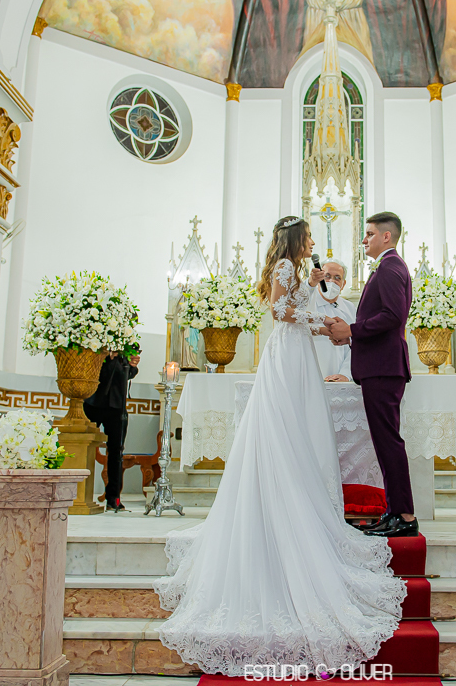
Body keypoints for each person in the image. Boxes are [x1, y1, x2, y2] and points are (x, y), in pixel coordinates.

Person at [154, 215, 405, 676]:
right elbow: (279, 313)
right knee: (283, 430)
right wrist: (320, 319)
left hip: (299, 355)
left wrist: (322, 316)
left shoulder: (300, 271)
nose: (313, 241)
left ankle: (300, 499)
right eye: (308, 235)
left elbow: (300, 311)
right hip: (285, 358)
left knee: (303, 433)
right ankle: (278, 501)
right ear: (295, 239)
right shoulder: (284, 269)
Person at [328, 212, 416, 538]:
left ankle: (404, 516)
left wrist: (350, 329)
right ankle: (396, 512)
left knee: (389, 443)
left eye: (368, 234)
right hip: (379, 367)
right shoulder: (388, 267)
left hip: (383, 367)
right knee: (384, 443)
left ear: (386, 237)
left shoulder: (391, 268)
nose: (364, 240)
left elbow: (392, 316)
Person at [84, 352, 140, 512]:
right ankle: (78, 493)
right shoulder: (97, 347)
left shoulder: (126, 347)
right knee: (83, 445)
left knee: (116, 452)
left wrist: (133, 367)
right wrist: (107, 356)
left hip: (116, 405)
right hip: (92, 401)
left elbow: (126, 374)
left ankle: (113, 497)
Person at [309, 258, 357, 382]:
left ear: (343, 284)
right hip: (310, 376)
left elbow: (355, 344)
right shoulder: (308, 304)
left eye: (337, 278)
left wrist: (345, 374)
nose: (332, 281)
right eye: (327, 276)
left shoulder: (349, 308)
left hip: (340, 377)